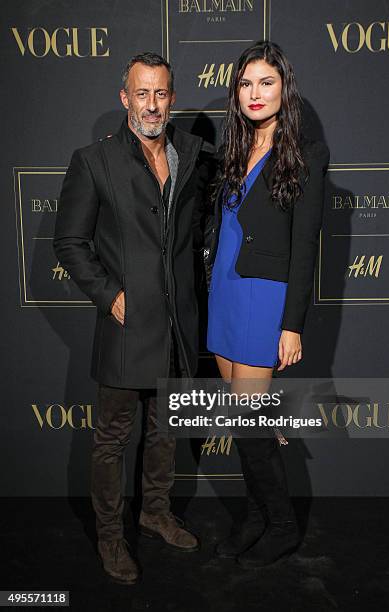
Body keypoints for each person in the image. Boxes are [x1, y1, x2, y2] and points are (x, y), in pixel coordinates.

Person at [54, 52, 210, 584]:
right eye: (141, 93)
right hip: (125, 324)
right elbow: (69, 242)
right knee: (113, 438)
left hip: (178, 327)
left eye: (161, 93)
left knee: (166, 429)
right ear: (125, 98)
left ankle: (155, 512)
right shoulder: (93, 161)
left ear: (173, 98)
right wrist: (108, 294)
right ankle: (111, 536)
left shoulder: (192, 153)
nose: (152, 104)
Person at [205, 40, 329, 569]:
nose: (254, 93)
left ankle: (281, 525)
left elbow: (305, 250)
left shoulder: (305, 152)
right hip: (226, 293)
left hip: (265, 296)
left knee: (251, 419)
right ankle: (257, 515)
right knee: (241, 420)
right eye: (246, 83)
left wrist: (292, 325)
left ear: (284, 88)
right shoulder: (233, 149)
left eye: (266, 82)